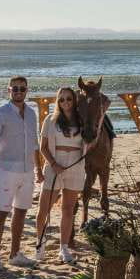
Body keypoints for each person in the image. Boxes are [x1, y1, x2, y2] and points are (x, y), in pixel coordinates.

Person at [0, 76, 44, 271]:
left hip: (28, 171)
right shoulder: (0, 114)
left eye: (22, 89)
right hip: (6, 170)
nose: (19, 92)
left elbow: (35, 144)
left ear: (27, 91)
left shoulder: (32, 114)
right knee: (1, 213)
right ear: (9, 91)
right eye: (15, 89)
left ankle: (15, 254)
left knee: (21, 212)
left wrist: (39, 170)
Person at [33, 87, 88, 264]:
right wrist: (54, 164)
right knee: (44, 209)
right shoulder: (50, 120)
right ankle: (40, 243)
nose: (65, 102)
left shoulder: (82, 120)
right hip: (54, 165)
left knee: (68, 209)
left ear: (74, 100)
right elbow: (43, 147)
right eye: (62, 99)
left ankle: (63, 248)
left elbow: (89, 142)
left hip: (75, 165)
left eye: (69, 99)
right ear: (58, 101)